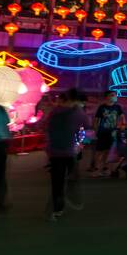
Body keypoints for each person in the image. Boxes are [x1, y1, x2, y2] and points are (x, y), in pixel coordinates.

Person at [46, 90, 90, 220]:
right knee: (68, 179)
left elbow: (48, 129)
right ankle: (63, 203)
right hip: (67, 151)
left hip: (57, 151)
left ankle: (57, 207)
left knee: (58, 182)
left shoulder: (54, 112)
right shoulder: (78, 113)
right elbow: (87, 130)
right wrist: (81, 144)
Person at [90, 90, 124, 176]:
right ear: (107, 97)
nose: (114, 96)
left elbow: (122, 117)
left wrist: (121, 126)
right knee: (99, 151)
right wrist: (95, 130)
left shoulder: (118, 107)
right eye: (112, 95)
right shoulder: (102, 107)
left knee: (108, 151)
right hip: (102, 132)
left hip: (112, 132)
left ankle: (105, 168)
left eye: (115, 95)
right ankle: (97, 169)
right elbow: (97, 120)